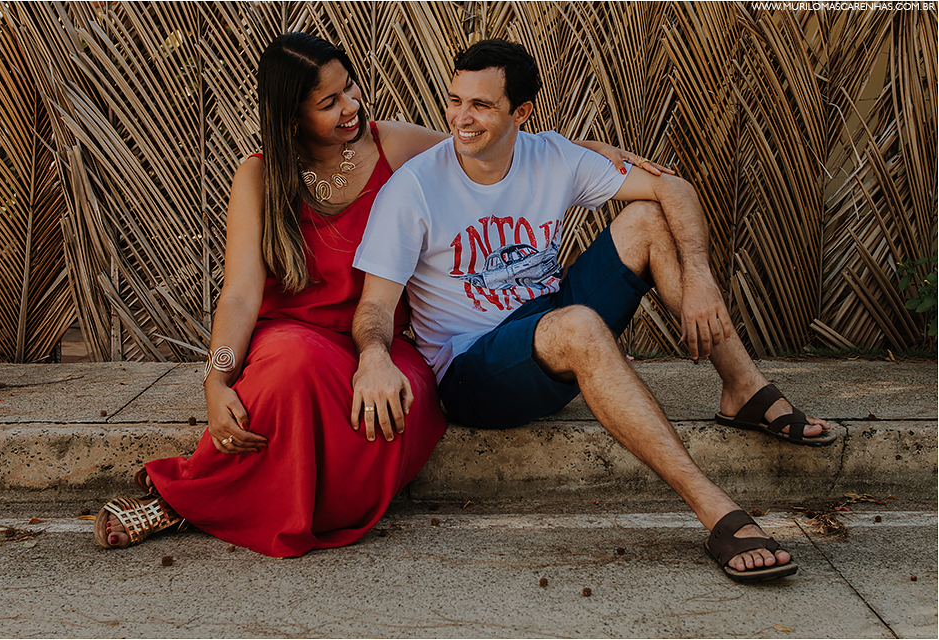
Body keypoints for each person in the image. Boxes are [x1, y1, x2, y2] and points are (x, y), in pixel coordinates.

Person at [93, 32, 661, 558]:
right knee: (291, 366)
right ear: (291, 117)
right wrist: (216, 379)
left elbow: (489, 146)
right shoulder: (259, 177)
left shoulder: (392, 143)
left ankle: (299, 501)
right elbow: (240, 295)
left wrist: (580, 149)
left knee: (404, 402)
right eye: (329, 102)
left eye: (351, 87)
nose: (351, 106)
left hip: (380, 338)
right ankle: (183, 497)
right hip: (290, 341)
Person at [351, 39, 835, 582]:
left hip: (550, 325)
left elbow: (673, 188)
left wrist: (699, 276)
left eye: (481, 105)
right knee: (579, 325)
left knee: (647, 219)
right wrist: (374, 357)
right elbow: (375, 306)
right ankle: (716, 511)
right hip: (472, 369)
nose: (461, 118)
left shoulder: (552, 156)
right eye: (455, 100)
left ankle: (742, 387)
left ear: (521, 113)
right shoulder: (414, 189)